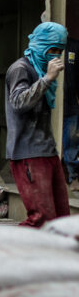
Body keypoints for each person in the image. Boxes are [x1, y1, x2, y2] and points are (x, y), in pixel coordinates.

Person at [5, 21, 70, 227]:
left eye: (60, 51)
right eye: (52, 50)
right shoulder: (21, 69)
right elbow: (18, 102)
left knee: (62, 220)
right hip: (28, 154)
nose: (56, 55)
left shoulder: (41, 69)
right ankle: (15, 253)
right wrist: (47, 79)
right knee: (41, 219)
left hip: (48, 151)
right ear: (40, 45)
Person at [63, 32, 79, 192]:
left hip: (71, 104)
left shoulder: (74, 46)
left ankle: (73, 177)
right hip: (50, 105)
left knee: (71, 142)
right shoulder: (42, 46)